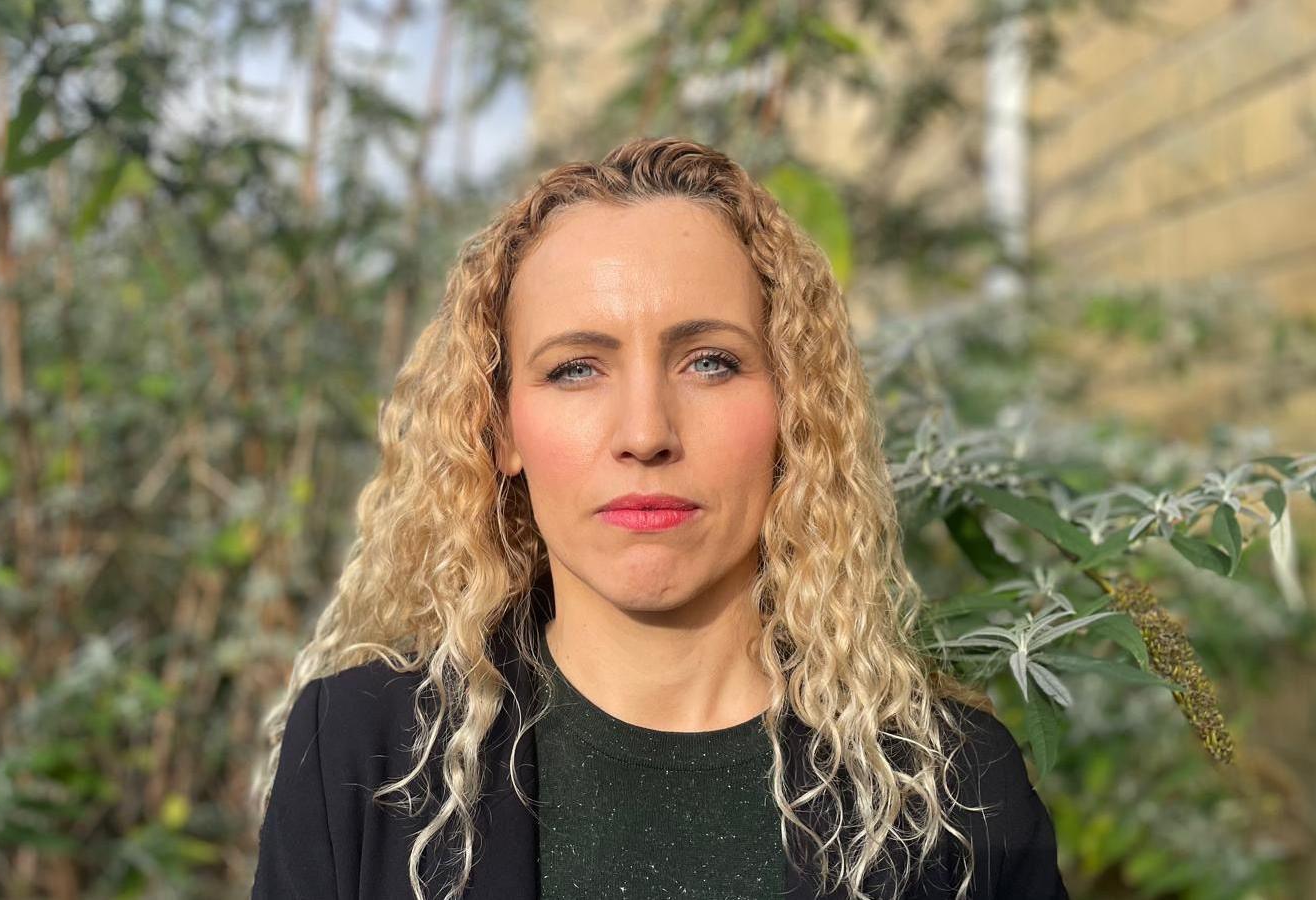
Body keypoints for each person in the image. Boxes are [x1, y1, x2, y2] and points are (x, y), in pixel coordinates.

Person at [248, 136, 1069, 900]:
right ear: (500, 430)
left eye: (710, 362)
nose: (645, 433)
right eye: (576, 370)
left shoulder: (958, 795)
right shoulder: (357, 754)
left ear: (795, 411)